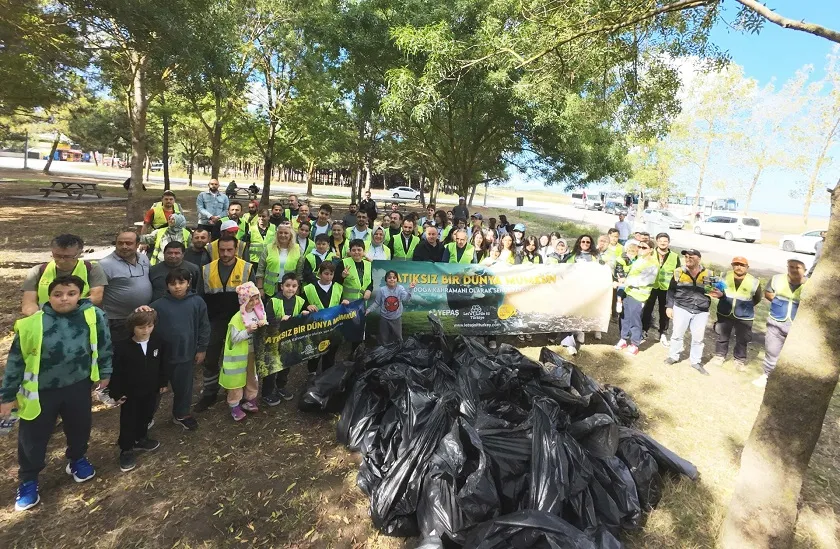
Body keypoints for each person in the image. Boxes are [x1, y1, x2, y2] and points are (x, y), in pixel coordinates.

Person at [1, 275, 113, 511]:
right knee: (33, 437)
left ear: (80, 295)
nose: (64, 299)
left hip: (78, 385)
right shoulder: (32, 323)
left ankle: (77, 459)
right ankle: (29, 480)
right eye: (58, 294)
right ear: (48, 297)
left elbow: (104, 346)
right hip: (41, 391)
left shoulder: (93, 316)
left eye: (71, 294)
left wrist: (105, 373)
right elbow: (16, 362)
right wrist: (7, 396)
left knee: (80, 426)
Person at [196, 234, 255, 412]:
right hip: (214, 321)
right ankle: (209, 393)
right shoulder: (206, 269)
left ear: (236, 249)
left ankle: (242, 393)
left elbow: (254, 298)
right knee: (211, 358)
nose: (225, 253)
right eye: (222, 250)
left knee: (241, 359)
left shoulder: (247, 268)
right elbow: (200, 298)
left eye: (230, 249)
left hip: (239, 321)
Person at [145, 267, 209, 431]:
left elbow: (204, 326)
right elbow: (143, 323)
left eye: (181, 282)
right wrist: (141, 310)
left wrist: (202, 348)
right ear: (167, 286)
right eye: (173, 283)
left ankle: (181, 414)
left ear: (188, 283)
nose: (177, 287)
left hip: (186, 355)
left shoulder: (197, 302)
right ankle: (146, 417)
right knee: (155, 389)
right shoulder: (157, 306)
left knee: (184, 387)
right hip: (161, 358)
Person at [109, 309, 168, 472]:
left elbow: (163, 364)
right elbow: (117, 372)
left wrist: (163, 381)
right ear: (132, 327)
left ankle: (141, 438)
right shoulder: (122, 347)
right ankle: (126, 448)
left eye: (149, 326)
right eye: (141, 327)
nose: (146, 331)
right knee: (129, 419)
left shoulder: (158, 342)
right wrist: (116, 392)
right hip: (130, 393)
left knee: (147, 414)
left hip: (151, 389)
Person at [21, 234, 107, 317]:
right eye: (57, 256)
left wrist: (68, 311)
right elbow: (28, 304)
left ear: (79, 253)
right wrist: (41, 316)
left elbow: (96, 297)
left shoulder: (92, 269)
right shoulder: (38, 271)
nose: (62, 260)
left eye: (67, 257)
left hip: (80, 319)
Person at [754, 259, 808, 388]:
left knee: (794, 356)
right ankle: (767, 376)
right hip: (776, 322)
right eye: (791, 267)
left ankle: (789, 381)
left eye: (798, 267)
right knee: (772, 351)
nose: (794, 269)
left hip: (797, 327)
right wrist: (779, 303)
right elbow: (768, 293)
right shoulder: (777, 279)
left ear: (804, 270)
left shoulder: (810, 284)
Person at [705, 256, 762, 372]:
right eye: (736, 264)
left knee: (742, 339)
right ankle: (720, 356)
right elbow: (717, 291)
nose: (739, 267)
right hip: (725, 312)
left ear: (747, 267)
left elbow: (757, 298)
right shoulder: (724, 276)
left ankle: (739, 360)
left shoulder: (754, 281)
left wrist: (745, 307)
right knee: (722, 336)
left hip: (744, 315)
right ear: (732, 265)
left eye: (742, 265)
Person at [221, 282, 266, 421]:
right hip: (238, 356)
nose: (254, 302)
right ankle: (234, 405)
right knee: (236, 381)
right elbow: (234, 338)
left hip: (253, 352)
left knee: (252, 377)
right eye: (250, 299)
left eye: (256, 298)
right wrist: (248, 331)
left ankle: (250, 399)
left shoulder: (259, 313)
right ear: (243, 300)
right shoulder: (237, 318)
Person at [663, 249, 712, 376]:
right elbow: (671, 290)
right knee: (677, 334)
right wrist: (669, 306)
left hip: (701, 310)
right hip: (682, 307)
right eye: (686, 256)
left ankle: (695, 361)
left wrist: (719, 293)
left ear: (699, 259)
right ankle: (673, 356)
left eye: (691, 256)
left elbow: (712, 292)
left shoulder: (708, 273)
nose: (688, 258)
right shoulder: (678, 272)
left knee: (698, 338)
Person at [262, 273, 309, 404]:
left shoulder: (300, 301)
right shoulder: (273, 301)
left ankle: (281, 387)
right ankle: (267, 393)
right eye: (287, 285)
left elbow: (302, 315)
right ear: (281, 286)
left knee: (286, 364)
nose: (290, 289)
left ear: (298, 287)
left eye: (294, 286)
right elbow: (267, 320)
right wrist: (279, 320)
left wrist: (305, 313)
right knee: (272, 366)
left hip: (290, 340)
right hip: (274, 341)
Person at [99, 229, 153, 342]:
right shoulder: (104, 264)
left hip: (142, 317)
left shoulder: (144, 258)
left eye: (129, 243)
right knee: (120, 354)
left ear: (138, 245)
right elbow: (98, 294)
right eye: (120, 243)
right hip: (117, 321)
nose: (124, 246)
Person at [303, 262, 349, 376]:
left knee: (331, 352)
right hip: (315, 327)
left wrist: (344, 302)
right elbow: (301, 303)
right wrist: (307, 306)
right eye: (326, 274)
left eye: (331, 274)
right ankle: (312, 372)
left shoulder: (338, 287)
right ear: (319, 274)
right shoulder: (309, 288)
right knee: (315, 352)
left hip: (333, 327)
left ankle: (327, 373)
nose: (328, 277)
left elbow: (340, 302)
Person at [615, 240, 658, 356]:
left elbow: (645, 280)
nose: (640, 249)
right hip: (628, 292)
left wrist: (624, 282)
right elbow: (631, 273)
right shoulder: (639, 259)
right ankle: (623, 339)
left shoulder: (653, 263)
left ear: (651, 250)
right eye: (639, 247)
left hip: (639, 295)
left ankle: (635, 344)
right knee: (625, 317)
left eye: (644, 247)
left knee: (635, 320)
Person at [642, 233, 680, 347]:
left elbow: (677, 273)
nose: (663, 243)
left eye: (665, 241)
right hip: (651, 285)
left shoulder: (674, 256)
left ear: (668, 242)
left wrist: (676, 287)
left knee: (665, 312)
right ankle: (644, 330)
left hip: (667, 288)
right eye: (660, 241)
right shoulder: (650, 252)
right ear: (657, 241)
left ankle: (662, 333)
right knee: (647, 309)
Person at [368, 270, 415, 345]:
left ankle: (399, 352)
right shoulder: (382, 290)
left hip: (396, 318)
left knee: (398, 338)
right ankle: (384, 354)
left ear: (397, 279)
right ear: (386, 280)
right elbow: (377, 303)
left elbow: (406, 299)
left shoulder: (400, 288)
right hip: (384, 318)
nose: (392, 279)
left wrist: (410, 289)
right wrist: (369, 310)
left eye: (394, 278)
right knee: (384, 339)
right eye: (389, 278)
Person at [257, 223, 301, 298]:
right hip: (270, 289)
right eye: (280, 233)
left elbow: (299, 272)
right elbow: (260, 270)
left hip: (289, 289)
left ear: (291, 235)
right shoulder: (269, 248)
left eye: (286, 233)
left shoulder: (297, 249)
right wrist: (260, 288)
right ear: (277, 234)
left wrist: (297, 288)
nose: (283, 235)